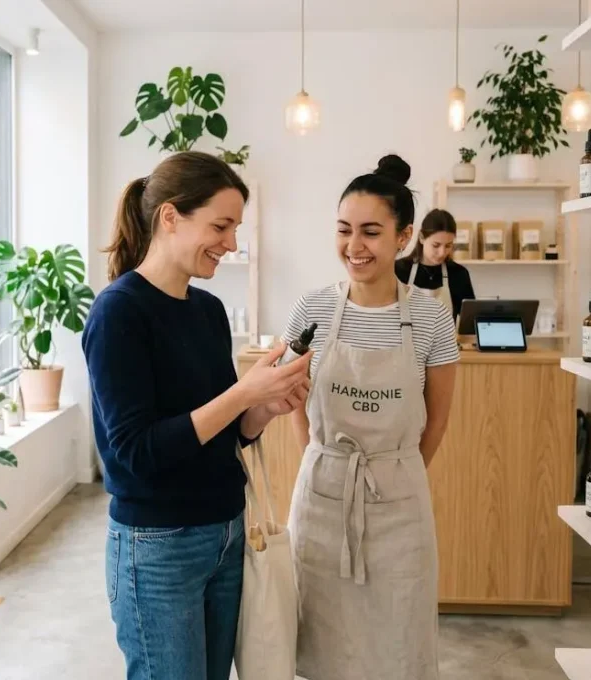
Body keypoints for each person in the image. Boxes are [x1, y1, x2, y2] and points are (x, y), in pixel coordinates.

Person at [82, 151, 311, 680]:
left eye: (234, 228)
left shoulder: (206, 311)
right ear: (169, 217)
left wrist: (264, 408)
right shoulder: (118, 312)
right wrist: (241, 395)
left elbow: (227, 430)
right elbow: (136, 453)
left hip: (227, 531)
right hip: (157, 548)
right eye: (221, 225)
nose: (230, 243)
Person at [282, 155, 458, 680]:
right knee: (319, 640)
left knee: (397, 642)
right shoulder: (311, 309)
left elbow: (438, 420)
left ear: (404, 238)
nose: (354, 247)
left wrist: (397, 470)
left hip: (399, 504)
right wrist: (322, 463)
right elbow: (295, 407)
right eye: (344, 230)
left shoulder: (430, 316)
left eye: (371, 232)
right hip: (321, 500)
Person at [395, 208, 475, 319]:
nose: (442, 253)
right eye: (436, 245)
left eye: (448, 245)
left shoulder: (459, 274)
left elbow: (470, 321)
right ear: (422, 238)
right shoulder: (399, 270)